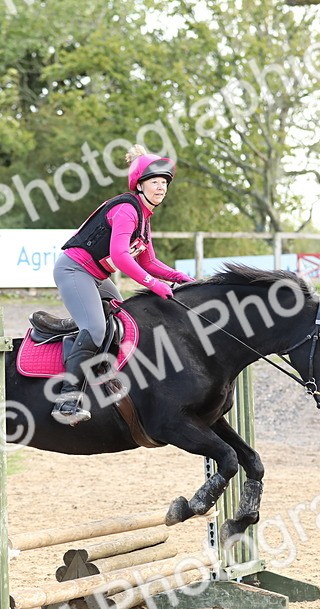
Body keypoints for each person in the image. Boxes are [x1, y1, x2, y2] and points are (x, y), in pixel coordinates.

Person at [50, 144, 194, 426]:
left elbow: (149, 261)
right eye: (155, 182)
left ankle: (102, 376)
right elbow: (120, 257)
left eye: (164, 183)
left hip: (96, 276)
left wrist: (179, 277)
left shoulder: (144, 218)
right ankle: (66, 400)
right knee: (95, 328)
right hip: (74, 270)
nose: (161, 188)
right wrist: (154, 285)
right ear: (139, 185)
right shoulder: (128, 210)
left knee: (124, 319)